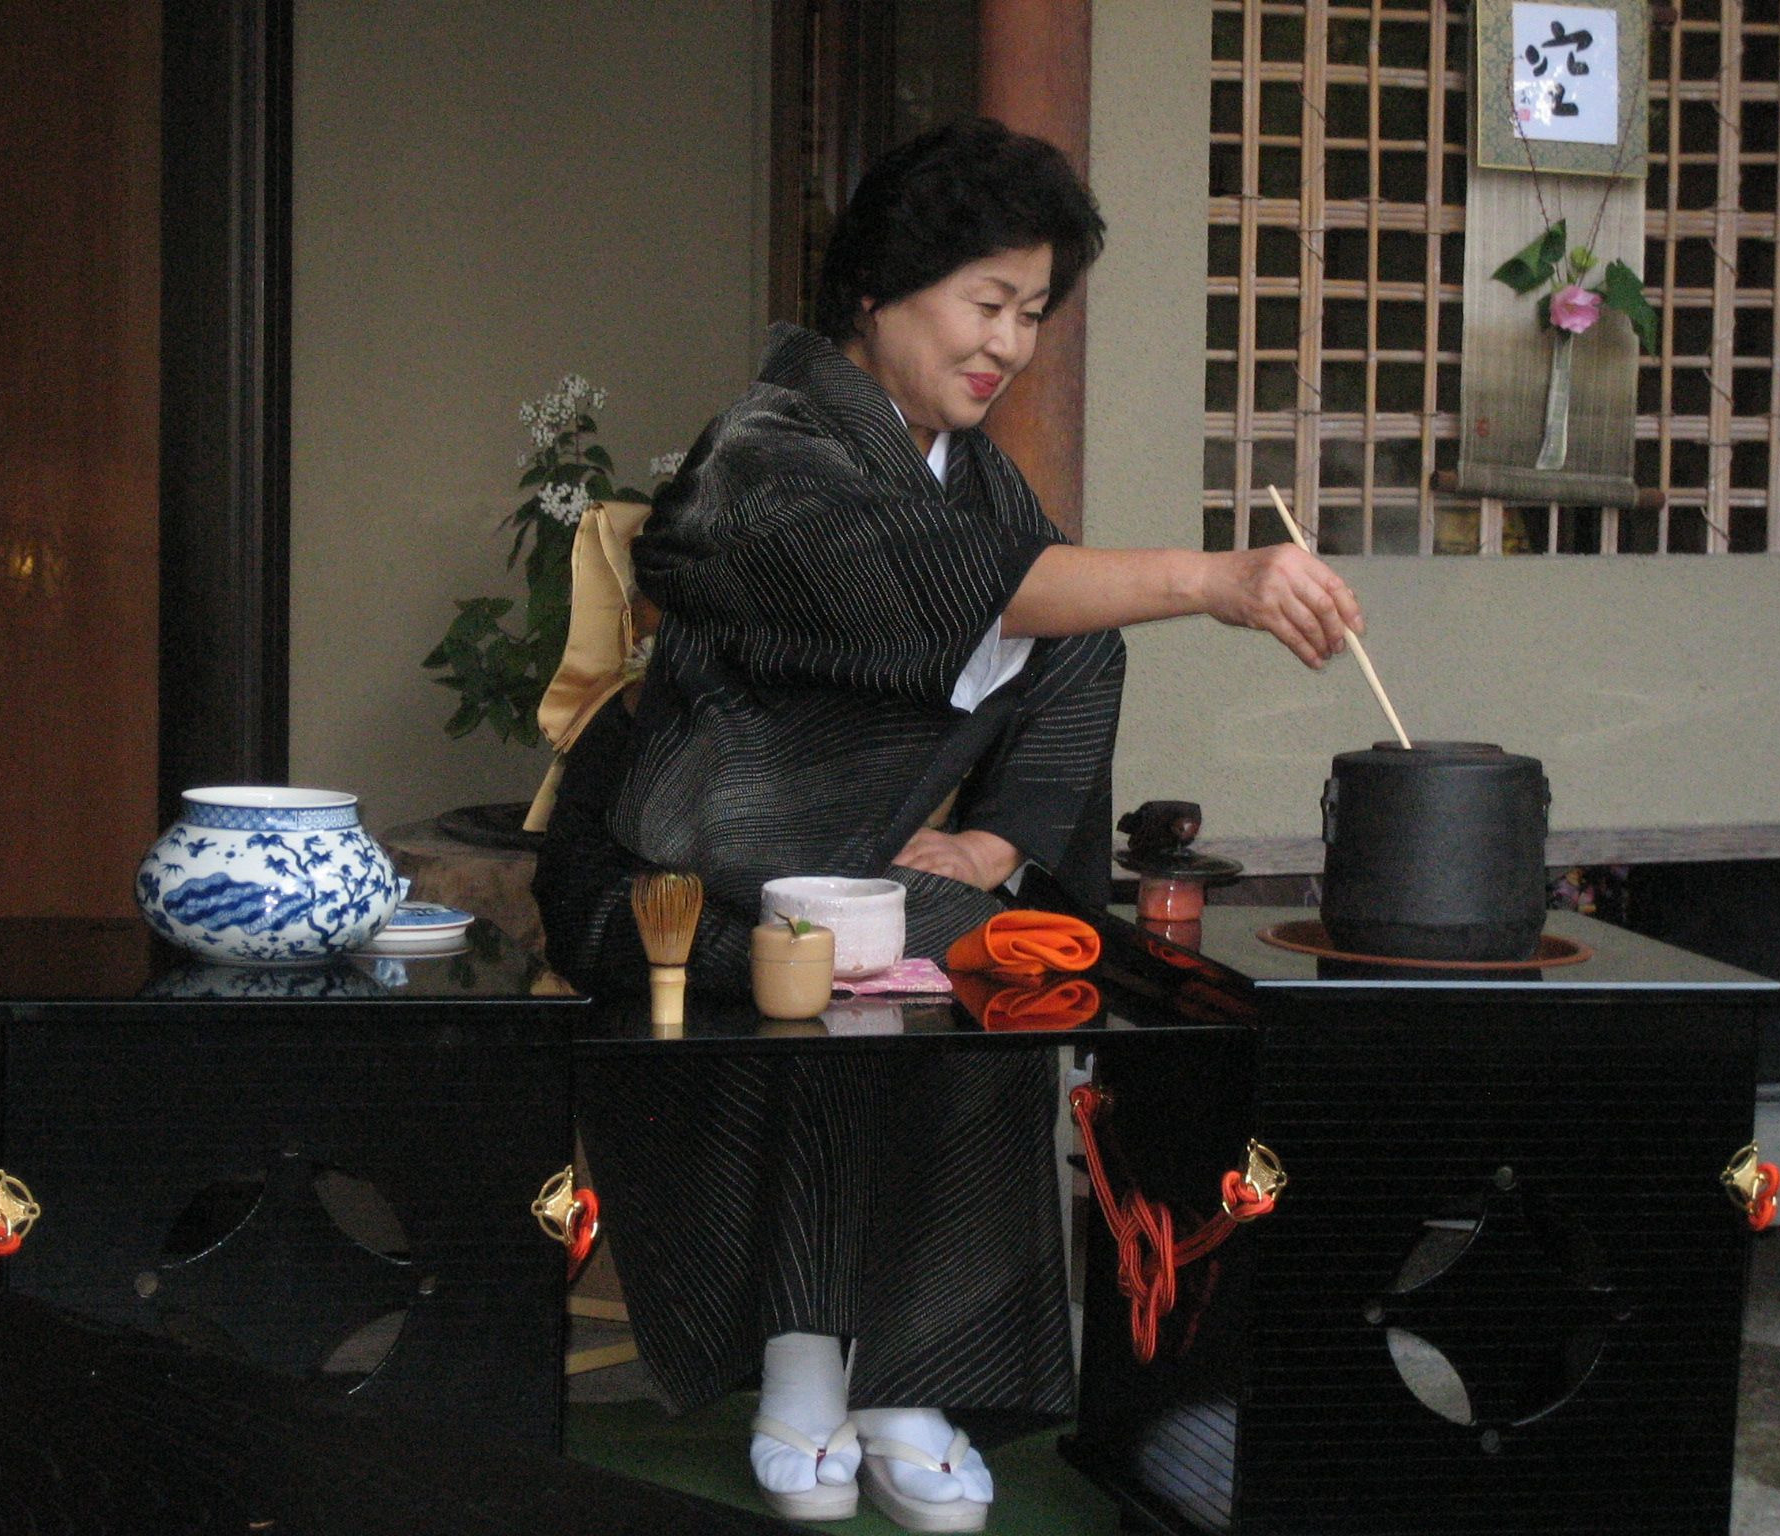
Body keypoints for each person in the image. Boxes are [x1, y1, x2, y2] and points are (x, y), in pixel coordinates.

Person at [535, 117, 1361, 1532]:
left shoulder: (972, 479)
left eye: (1033, 313)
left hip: (836, 876)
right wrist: (1215, 577)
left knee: (997, 945)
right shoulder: (763, 455)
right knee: (891, 960)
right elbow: (966, 590)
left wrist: (995, 842)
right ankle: (808, 1364)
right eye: (987, 303)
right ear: (878, 290)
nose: (1010, 345)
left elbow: (1071, 642)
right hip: (664, 876)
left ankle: (904, 1384)